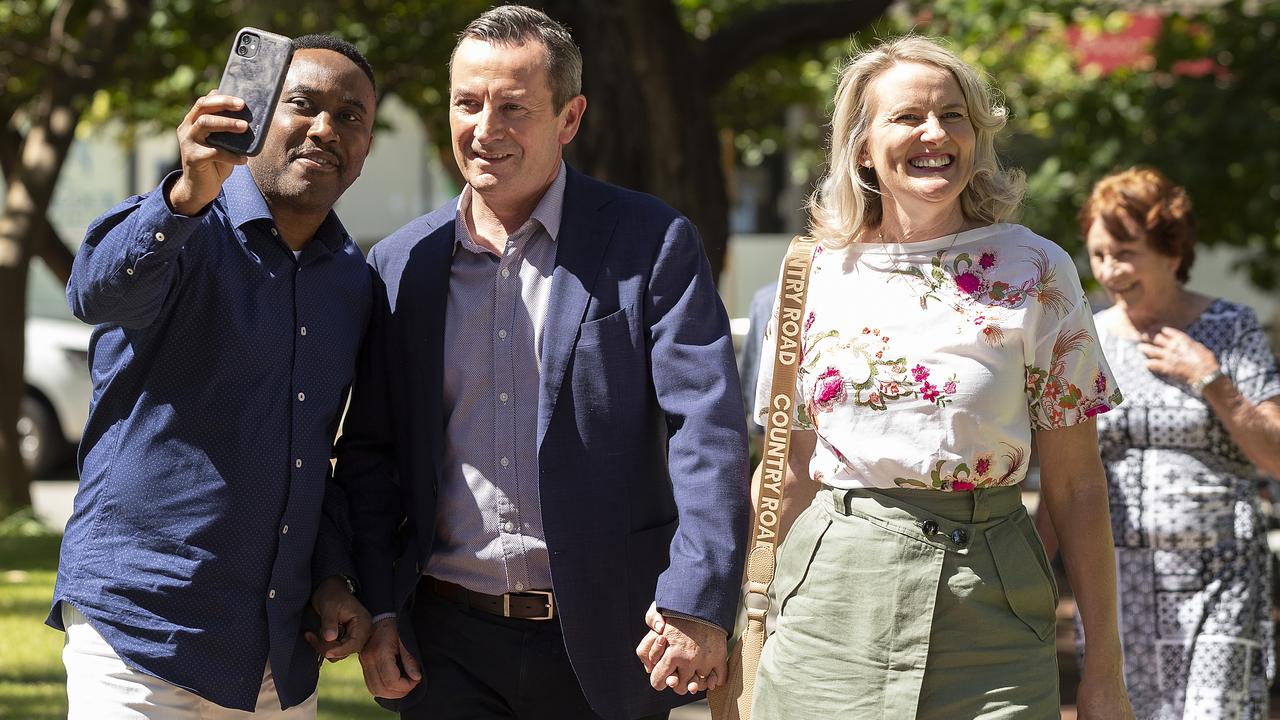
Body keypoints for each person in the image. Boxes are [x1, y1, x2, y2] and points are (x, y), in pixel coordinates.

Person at [652, 35, 1135, 718]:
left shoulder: (1037, 271)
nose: (934, 133)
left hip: (993, 609)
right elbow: (784, 475)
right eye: (908, 117)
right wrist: (718, 615)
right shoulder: (807, 277)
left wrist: (1104, 672)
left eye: (954, 116)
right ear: (862, 144)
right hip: (830, 604)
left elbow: (1078, 488)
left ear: (977, 135)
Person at [325, 6, 750, 720]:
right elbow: (372, 456)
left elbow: (706, 433)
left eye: (513, 107)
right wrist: (384, 610)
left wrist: (696, 598)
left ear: (570, 117)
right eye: (467, 103)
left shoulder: (651, 242)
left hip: (614, 639)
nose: (485, 128)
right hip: (446, 643)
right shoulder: (401, 264)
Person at [48, 35, 379, 717]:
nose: (325, 127)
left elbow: (318, 452)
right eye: (303, 105)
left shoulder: (352, 281)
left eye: (350, 117)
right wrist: (187, 191)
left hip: (276, 655)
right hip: (138, 636)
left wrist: (334, 575)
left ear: (367, 145)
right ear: (254, 114)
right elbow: (97, 295)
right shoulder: (182, 223)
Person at [1070, 166, 1280, 718]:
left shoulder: (1229, 327)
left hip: (1221, 578)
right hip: (1118, 588)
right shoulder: (1083, 338)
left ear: (1170, 249)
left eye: (1125, 252)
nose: (1109, 270)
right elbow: (1068, 469)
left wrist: (1210, 378)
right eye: (1098, 255)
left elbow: (1274, 454)